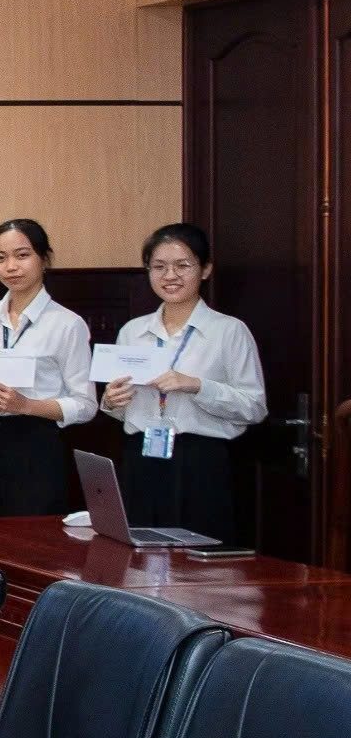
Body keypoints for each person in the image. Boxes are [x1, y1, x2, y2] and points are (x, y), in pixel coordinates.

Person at [101, 223, 267, 540]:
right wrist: (111, 401)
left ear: (205, 269)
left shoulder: (229, 331)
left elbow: (254, 408)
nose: (170, 276)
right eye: (159, 267)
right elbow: (121, 410)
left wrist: (197, 385)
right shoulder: (132, 331)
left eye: (182, 265)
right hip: (142, 457)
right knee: (139, 554)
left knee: (196, 559)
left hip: (201, 462)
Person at [0, 219, 95, 516]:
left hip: (38, 447)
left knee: (33, 536)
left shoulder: (67, 324)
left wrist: (26, 405)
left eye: (22, 255)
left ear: (44, 259)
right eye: (0, 258)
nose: (11, 267)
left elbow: (85, 404)